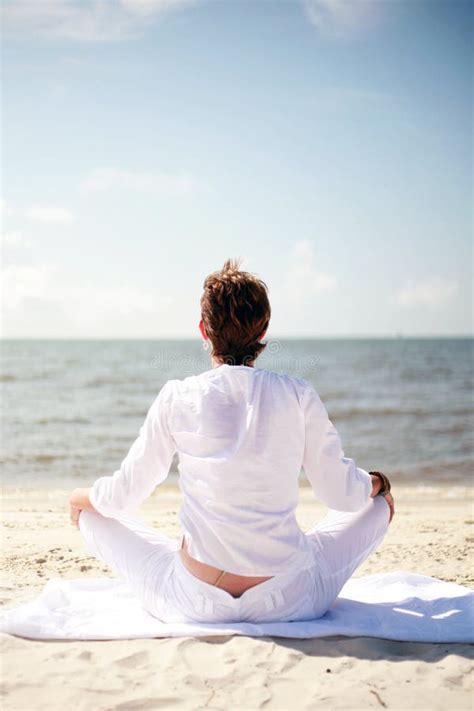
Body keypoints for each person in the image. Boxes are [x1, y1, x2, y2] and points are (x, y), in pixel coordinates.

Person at [69, 258, 395, 624]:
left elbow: (124, 496)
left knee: (93, 516)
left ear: (203, 330)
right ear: (264, 329)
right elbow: (343, 495)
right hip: (288, 598)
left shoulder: (179, 395)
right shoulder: (297, 394)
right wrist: (377, 483)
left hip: (194, 600)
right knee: (378, 506)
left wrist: (80, 498)